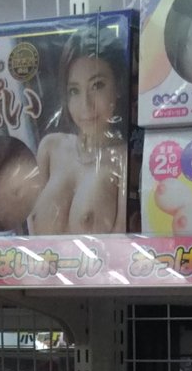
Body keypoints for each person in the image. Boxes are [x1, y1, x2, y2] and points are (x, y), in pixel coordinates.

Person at [27, 34, 127, 236]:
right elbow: (29, 234)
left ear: (118, 86)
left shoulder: (123, 159)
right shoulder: (50, 148)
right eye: (74, 91)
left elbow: (121, 245)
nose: (85, 105)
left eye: (97, 86)